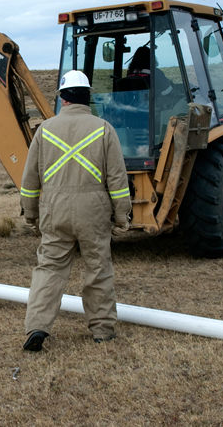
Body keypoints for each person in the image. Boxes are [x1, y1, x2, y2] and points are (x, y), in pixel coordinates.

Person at [20, 70, 131, 351]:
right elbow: (117, 180)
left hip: (54, 210)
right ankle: (102, 329)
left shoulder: (44, 130)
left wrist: (31, 214)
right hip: (93, 211)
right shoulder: (104, 128)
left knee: (49, 269)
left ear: (63, 98)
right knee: (98, 268)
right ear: (87, 97)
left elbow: (30, 180)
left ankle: (37, 327)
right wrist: (121, 215)